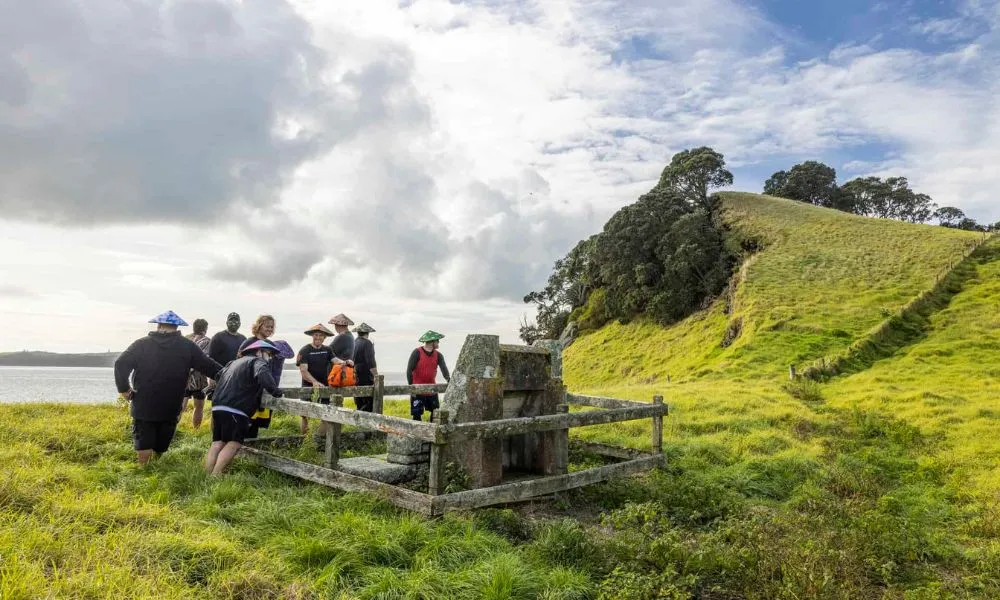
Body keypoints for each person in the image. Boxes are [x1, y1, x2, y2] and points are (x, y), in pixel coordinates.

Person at [114, 310, 222, 465]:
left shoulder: (142, 344)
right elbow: (209, 365)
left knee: (144, 442)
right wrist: (229, 373)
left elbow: (120, 364)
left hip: (144, 403)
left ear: (158, 325)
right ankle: (154, 469)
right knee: (161, 444)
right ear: (177, 327)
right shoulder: (187, 346)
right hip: (171, 403)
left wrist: (124, 389)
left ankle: (147, 471)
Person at [204, 340, 283, 476]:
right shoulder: (257, 362)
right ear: (259, 352)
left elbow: (219, 376)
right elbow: (263, 374)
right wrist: (276, 391)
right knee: (234, 443)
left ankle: (206, 474)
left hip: (218, 405)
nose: (269, 358)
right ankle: (216, 475)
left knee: (218, 442)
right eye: (268, 354)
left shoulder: (232, 363)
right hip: (236, 407)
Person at [247, 340, 294, 439]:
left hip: (271, 384)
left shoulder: (273, 353)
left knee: (258, 418)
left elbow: (291, 354)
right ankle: (248, 441)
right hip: (262, 385)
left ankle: (251, 440)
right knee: (252, 416)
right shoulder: (261, 358)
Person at [296, 323, 335, 435]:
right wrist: (314, 382)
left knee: (326, 415)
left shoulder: (328, 350)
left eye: (320, 335)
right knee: (305, 416)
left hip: (324, 387)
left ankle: (318, 440)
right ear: (312, 336)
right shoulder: (305, 350)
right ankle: (304, 441)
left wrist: (346, 362)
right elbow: (303, 371)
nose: (318, 337)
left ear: (324, 337)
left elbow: (335, 360)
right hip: (307, 386)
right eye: (316, 335)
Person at [406, 331, 450, 421]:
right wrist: (411, 388)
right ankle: (417, 434)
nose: (438, 343)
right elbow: (409, 370)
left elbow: (444, 370)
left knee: (435, 413)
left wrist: (449, 380)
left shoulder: (439, 355)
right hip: (417, 389)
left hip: (432, 389)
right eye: (437, 341)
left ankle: (432, 433)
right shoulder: (417, 352)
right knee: (417, 415)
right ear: (432, 342)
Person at [183, 318, 212, 428]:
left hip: (184, 377)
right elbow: (204, 359)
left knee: (180, 406)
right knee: (198, 407)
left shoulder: (186, 339)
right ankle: (196, 430)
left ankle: (172, 428)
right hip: (199, 379)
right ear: (205, 328)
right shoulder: (207, 341)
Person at [352, 323, 378, 412]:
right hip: (366, 376)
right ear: (368, 333)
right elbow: (371, 362)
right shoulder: (367, 343)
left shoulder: (354, 342)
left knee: (359, 401)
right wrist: (376, 377)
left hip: (355, 375)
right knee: (369, 402)